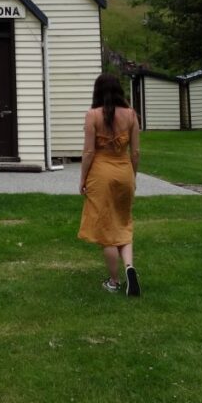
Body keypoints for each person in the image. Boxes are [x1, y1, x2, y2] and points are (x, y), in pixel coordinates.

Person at [78, 73, 141, 296]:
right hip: (124, 171)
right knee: (123, 223)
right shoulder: (131, 115)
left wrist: (82, 178)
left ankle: (114, 282)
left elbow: (88, 152)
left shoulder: (92, 115)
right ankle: (130, 268)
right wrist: (132, 176)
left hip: (100, 174)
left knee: (106, 228)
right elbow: (135, 152)